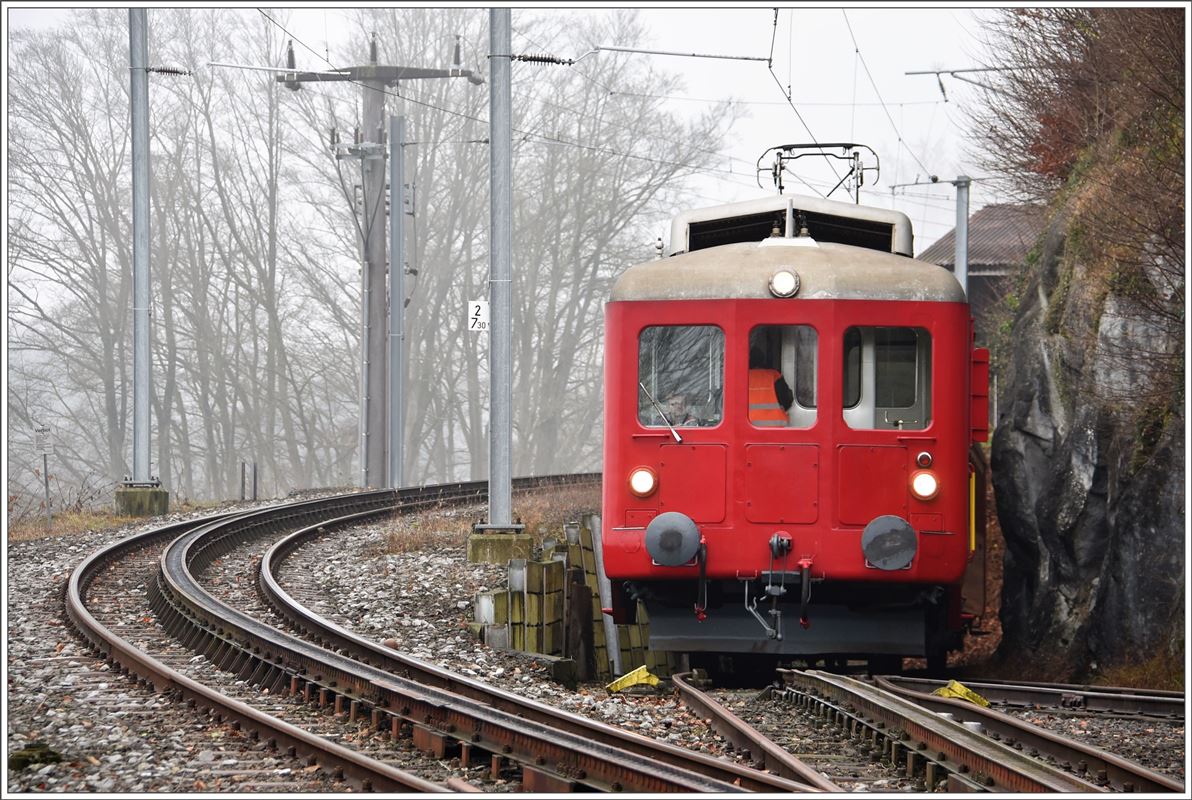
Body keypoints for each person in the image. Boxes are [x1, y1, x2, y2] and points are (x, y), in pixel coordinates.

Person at [749, 347, 793, 426]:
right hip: (775, 427)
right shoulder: (773, 375)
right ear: (762, 360)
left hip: (748, 426)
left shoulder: (741, 377)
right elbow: (787, 400)